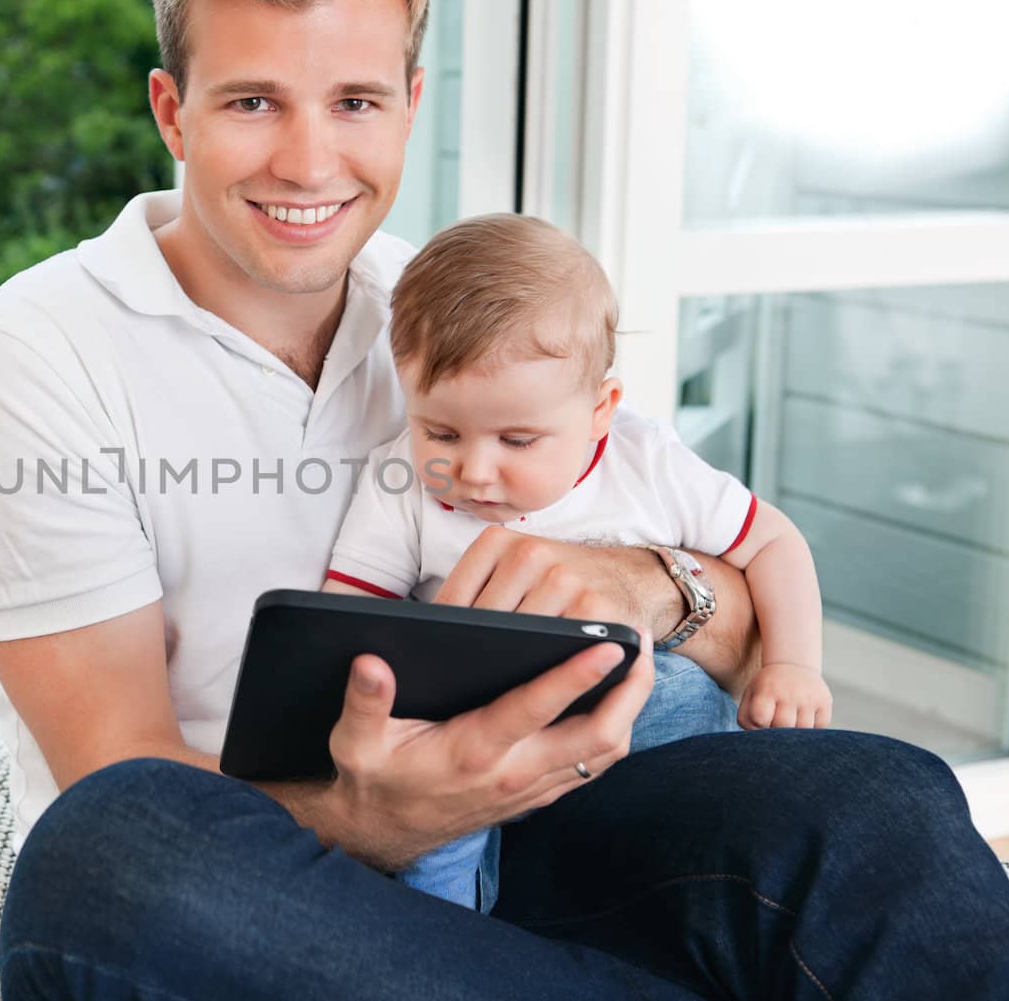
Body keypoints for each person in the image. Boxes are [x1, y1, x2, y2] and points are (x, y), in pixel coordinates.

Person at [0, 0, 1009, 1000]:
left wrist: (637, 583)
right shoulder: (38, 355)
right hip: (257, 874)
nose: (308, 162)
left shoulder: (454, 317)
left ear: (408, 101)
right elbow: (116, 761)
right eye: (253, 102)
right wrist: (385, 814)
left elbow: (735, 624)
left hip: (537, 818)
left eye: (353, 102)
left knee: (876, 794)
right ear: (172, 109)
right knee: (111, 848)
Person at [323, 213, 833, 910]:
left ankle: (687, 877)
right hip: (476, 733)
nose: (474, 470)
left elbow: (774, 543)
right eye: (440, 431)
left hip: (633, 716)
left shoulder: (643, 461)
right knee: (427, 809)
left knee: (688, 694)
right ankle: (444, 929)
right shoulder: (400, 485)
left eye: (517, 439)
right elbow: (352, 618)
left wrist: (793, 664)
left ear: (601, 409)